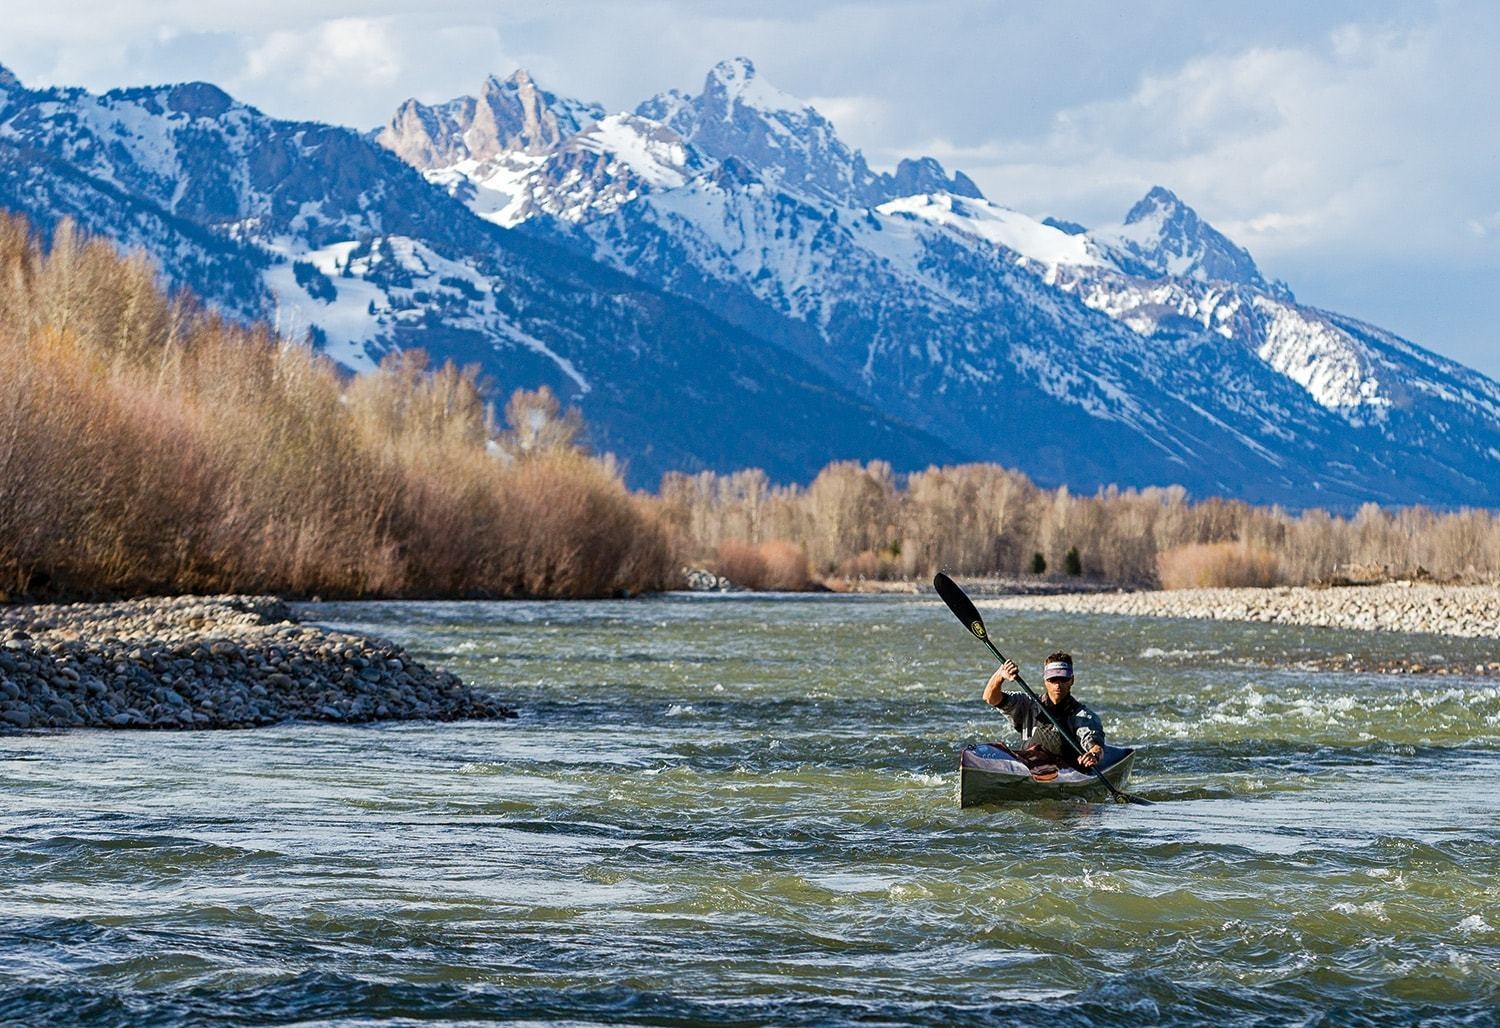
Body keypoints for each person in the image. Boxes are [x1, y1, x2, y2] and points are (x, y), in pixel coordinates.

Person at [982, 651, 1105, 770]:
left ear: (1072, 680)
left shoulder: (1082, 715)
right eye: (1053, 679)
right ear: (1045, 680)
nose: (1058, 685)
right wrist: (1000, 676)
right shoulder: (1028, 703)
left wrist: (1093, 755)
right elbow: (989, 698)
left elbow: (1095, 746)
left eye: (1063, 679)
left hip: (1064, 772)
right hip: (1028, 768)